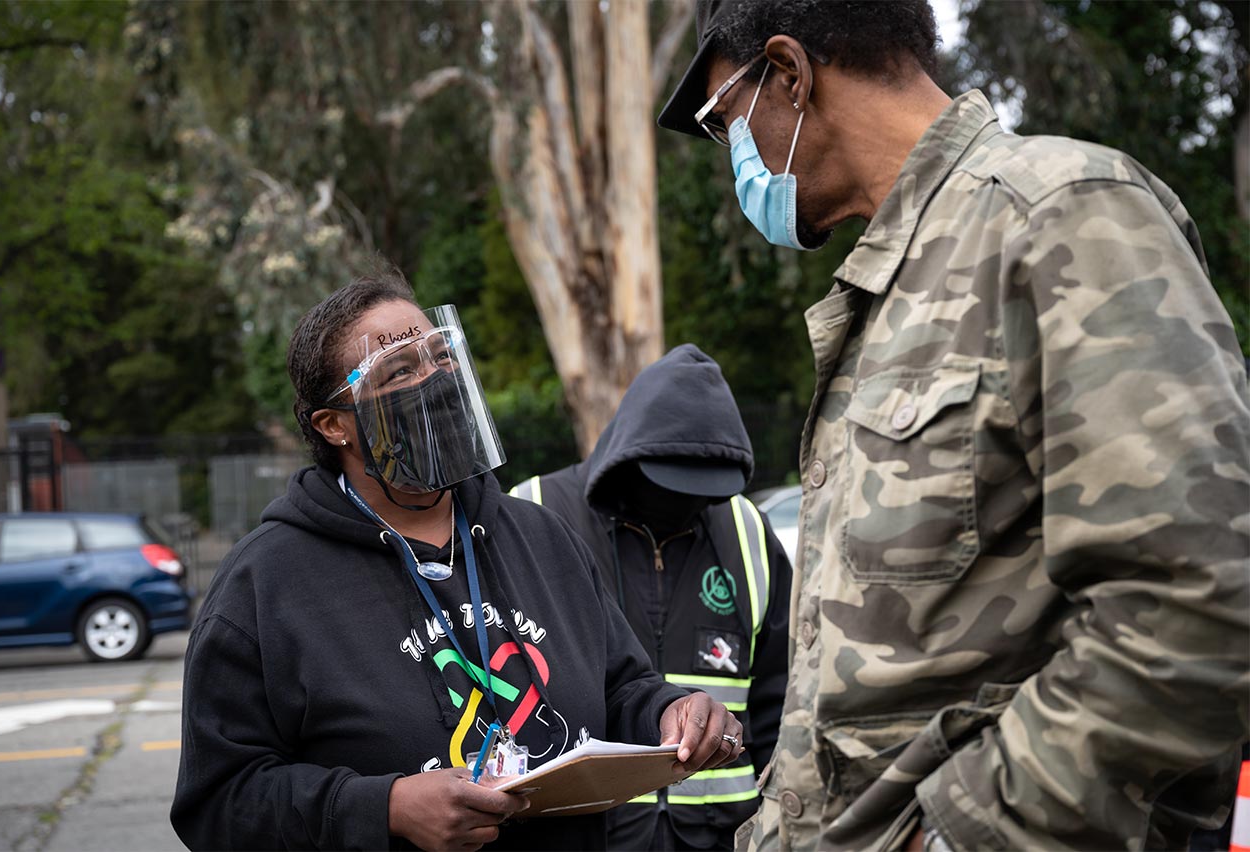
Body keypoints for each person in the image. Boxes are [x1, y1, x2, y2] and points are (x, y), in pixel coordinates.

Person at [656, 1, 1250, 850]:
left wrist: (954, 836)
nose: (734, 159)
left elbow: (1199, 599)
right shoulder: (890, 289)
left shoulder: (1060, 216)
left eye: (726, 122)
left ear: (789, 73)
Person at [170, 267, 745, 852]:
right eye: (400, 370)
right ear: (334, 425)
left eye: (441, 357)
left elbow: (622, 688)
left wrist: (673, 711)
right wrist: (385, 808)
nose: (434, 380)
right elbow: (218, 803)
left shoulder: (544, 538)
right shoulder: (265, 584)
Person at [510, 344, 793, 851]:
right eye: (673, 485)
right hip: (581, 835)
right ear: (628, 460)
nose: (689, 504)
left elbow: (783, 706)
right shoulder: (535, 513)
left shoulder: (746, 530)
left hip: (727, 839)